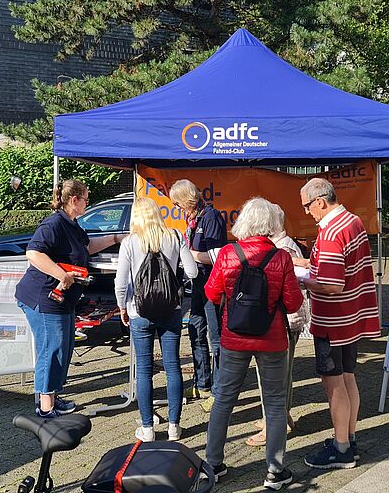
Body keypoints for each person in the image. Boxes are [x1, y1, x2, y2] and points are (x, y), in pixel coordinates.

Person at [203, 197, 304, 491]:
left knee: (224, 398)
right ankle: (274, 471)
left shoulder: (227, 253)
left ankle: (213, 463)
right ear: (271, 223)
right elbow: (294, 302)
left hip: (234, 338)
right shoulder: (282, 258)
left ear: (244, 220)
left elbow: (211, 293)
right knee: (273, 403)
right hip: (272, 340)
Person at [15, 179, 122, 418]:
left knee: (64, 347)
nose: (88, 202)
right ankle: (45, 406)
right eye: (85, 198)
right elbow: (33, 252)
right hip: (44, 298)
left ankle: (53, 394)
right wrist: (61, 274)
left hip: (63, 300)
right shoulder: (54, 223)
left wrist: (115, 239)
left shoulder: (72, 224)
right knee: (51, 349)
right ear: (74, 200)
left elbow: (87, 246)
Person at [299, 178, 379, 470]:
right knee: (348, 377)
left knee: (334, 384)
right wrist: (307, 263)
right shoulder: (353, 220)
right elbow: (339, 265)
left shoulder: (331, 231)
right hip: (351, 317)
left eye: (307, 206)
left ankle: (341, 448)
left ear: (320, 201)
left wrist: (302, 280)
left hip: (332, 320)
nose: (308, 212)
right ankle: (350, 437)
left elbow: (331, 284)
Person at [114, 198, 198, 442]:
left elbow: (121, 282)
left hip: (139, 312)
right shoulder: (174, 236)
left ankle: (148, 428)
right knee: (173, 367)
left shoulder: (130, 242)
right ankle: (174, 426)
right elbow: (192, 272)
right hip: (171, 310)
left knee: (144, 369)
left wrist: (121, 307)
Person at [246, 202, 310, 448]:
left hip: (283, 320)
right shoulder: (285, 247)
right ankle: (281, 417)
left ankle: (276, 422)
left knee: (274, 376)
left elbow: (290, 290)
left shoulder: (282, 249)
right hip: (286, 319)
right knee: (281, 373)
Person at [168, 179, 227, 412]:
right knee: (195, 330)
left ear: (188, 200)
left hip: (212, 285)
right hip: (197, 285)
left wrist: (187, 253)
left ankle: (219, 392)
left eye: (178, 204)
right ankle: (202, 383)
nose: (176, 208)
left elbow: (218, 255)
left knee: (216, 338)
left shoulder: (211, 218)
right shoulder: (193, 219)